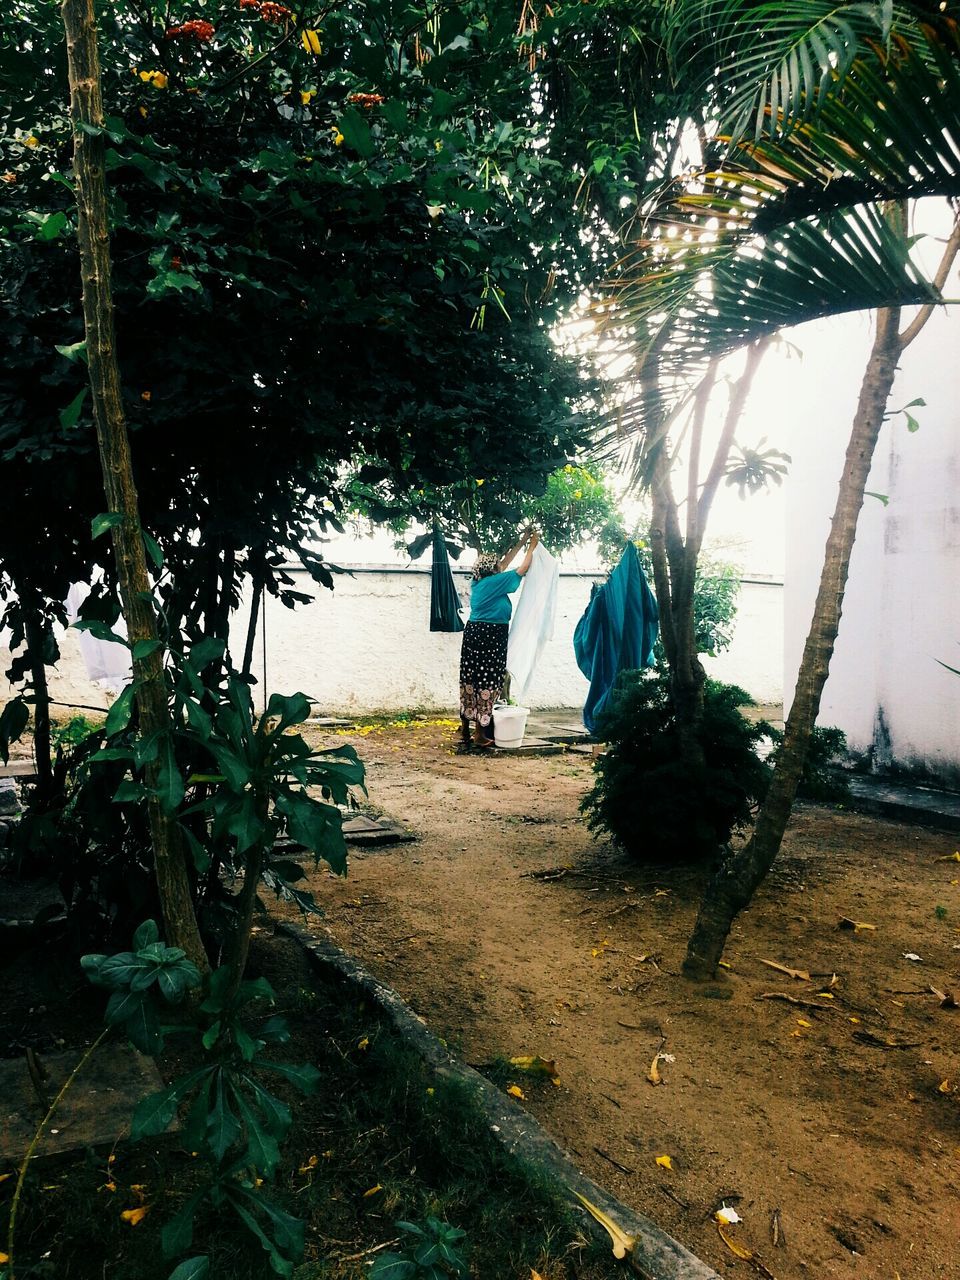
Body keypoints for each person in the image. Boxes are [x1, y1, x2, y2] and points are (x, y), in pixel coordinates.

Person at [459, 525, 539, 750]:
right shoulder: (496, 583)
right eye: (497, 566)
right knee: (487, 680)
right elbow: (522, 568)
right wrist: (533, 546)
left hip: (474, 633)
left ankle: (465, 730)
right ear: (493, 570)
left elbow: (505, 561)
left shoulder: (480, 582)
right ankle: (480, 734)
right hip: (490, 635)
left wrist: (523, 540)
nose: (500, 567)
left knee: (470, 680)